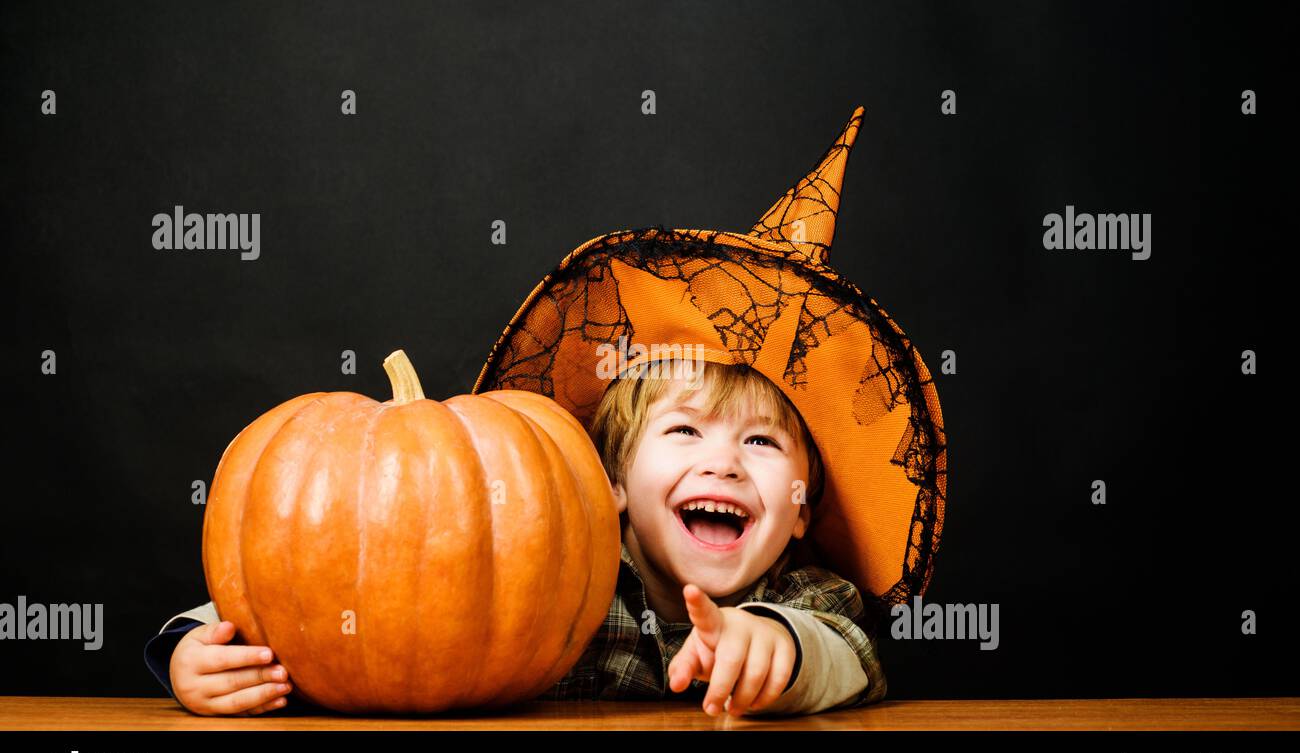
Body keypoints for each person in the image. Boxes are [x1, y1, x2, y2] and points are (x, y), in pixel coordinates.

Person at [144, 104, 948, 717]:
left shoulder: (807, 593)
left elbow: (851, 652)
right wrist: (194, 648)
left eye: (764, 442)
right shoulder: (560, 565)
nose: (725, 461)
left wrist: (776, 649)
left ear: (804, 504)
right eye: (683, 430)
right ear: (614, 484)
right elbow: (315, 586)